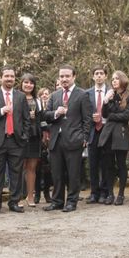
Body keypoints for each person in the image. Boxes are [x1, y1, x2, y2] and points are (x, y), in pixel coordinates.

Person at [0, 67, 31, 214]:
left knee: (16, 173)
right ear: (0, 78)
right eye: (6, 76)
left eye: (12, 76)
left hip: (16, 141)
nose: (9, 79)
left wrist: (24, 136)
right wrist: (1, 111)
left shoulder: (21, 96)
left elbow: (26, 119)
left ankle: (14, 202)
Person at [43, 65, 92, 212]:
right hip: (55, 141)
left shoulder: (82, 95)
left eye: (67, 76)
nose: (64, 79)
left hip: (74, 140)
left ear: (74, 77)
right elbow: (46, 115)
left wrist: (84, 137)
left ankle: (71, 201)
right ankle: (57, 201)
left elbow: (87, 119)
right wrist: (56, 114)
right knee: (56, 173)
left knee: (73, 173)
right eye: (61, 76)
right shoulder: (55, 95)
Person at [99, 70, 129, 205]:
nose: (114, 81)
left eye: (116, 78)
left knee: (121, 165)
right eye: (112, 79)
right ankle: (110, 194)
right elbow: (104, 114)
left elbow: (126, 116)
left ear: (122, 80)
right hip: (107, 134)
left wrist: (111, 115)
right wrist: (106, 100)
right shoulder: (110, 95)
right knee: (108, 165)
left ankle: (121, 194)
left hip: (121, 134)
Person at [85, 66, 110, 204]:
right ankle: (94, 193)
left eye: (101, 73)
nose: (99, 76)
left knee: (106, 163)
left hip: (106, 131)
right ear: (93, 77)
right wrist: (91, 117)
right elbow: (84, 112)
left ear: (105, 76)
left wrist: (104, 118)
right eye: (96, 74)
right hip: (93, 132)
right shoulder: (86, 93)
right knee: (93, 164)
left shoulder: (111, 92)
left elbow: (114, 110)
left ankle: (105, 192)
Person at [20, 73, 42, 207]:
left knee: (32, 168)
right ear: (21, 83)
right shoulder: (16, 97)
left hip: (35, 136)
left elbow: (42, 118)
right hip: (21, 136)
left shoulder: (37, 100)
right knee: (19, 167)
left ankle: (30, 197)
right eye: (26, 82)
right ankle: (18, 197)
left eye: (31, 83)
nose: (28, 85)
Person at [35, 87, 52, 204]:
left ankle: (47, 193)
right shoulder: (37, 107)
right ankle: (37, 194)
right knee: (37, 169)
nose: (45, 96)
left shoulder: (52, 106)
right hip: (39, 140)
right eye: (42, 94)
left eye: (47, 94)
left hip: (51, 140)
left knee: (48, 170)